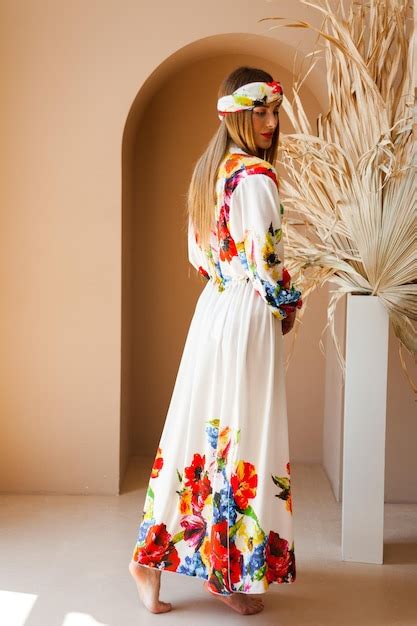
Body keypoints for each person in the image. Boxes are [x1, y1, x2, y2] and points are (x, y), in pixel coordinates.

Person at [128, 65, 303, 616]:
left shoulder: (210, 172)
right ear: (239, 115)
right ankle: (226, 573)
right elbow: (268, 263)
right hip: (248, 314)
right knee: (243, 432)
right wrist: (288, 305)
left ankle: (153, 559)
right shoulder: (254, 177)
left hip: (215, 311)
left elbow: (199, 259)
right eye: (262, 112)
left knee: (201, 431)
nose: (271, 123)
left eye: (274, 112)